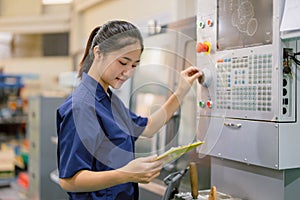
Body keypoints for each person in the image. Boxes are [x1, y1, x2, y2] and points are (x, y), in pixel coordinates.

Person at [56, 20, 202, 200]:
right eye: (123, 62)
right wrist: (126, 174)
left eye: (134, 65)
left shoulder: (108, 99)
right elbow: (69, 180)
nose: (128, 72)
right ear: (98, 53)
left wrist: (180, 91)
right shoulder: (81, 106)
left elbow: (148, 127)